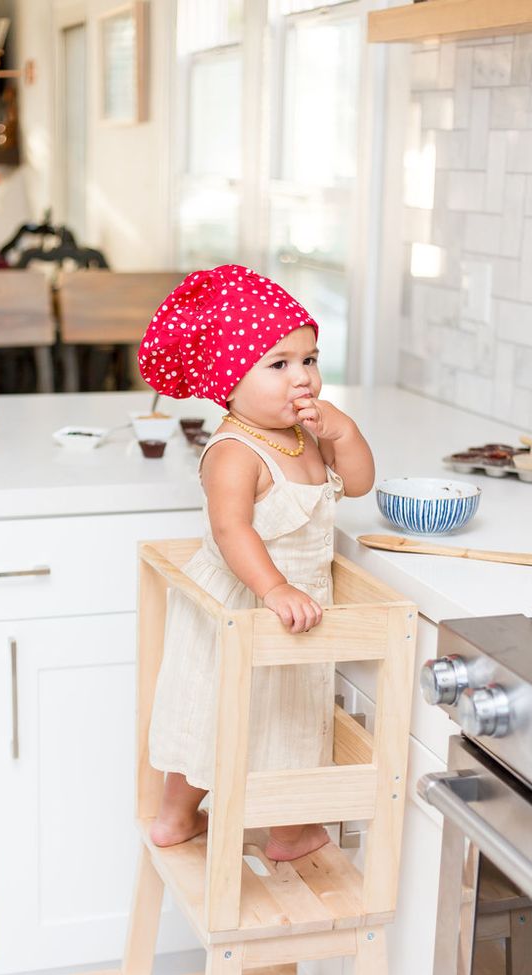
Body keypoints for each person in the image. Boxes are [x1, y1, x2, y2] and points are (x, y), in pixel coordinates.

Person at [138, 265, 375, 861]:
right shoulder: (235, 451)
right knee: (211, 711)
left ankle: (286, 828)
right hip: (245, 603)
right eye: (279, 364)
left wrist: (343, 432)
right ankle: (177, 816)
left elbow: (362, 484)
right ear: (229, 379)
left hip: (292, 609)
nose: (303, 378)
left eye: (310, 359)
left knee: (284, 722)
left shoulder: (305, 435)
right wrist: (272, 588)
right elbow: (230, 529)